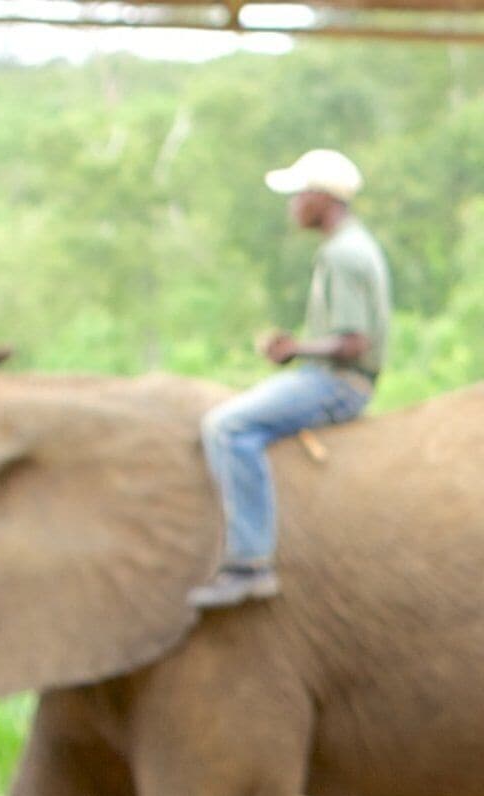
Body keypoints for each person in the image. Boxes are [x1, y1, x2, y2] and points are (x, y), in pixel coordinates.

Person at [188, 148, 393, 610]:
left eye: (298, 195)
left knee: (227, 427)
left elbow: (355, 342)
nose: (292, 205)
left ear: (322, 198)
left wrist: (295, 350)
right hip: (330, 372)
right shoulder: (350, 245)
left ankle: (249, 562)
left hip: (339, 383)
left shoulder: (344, 255)